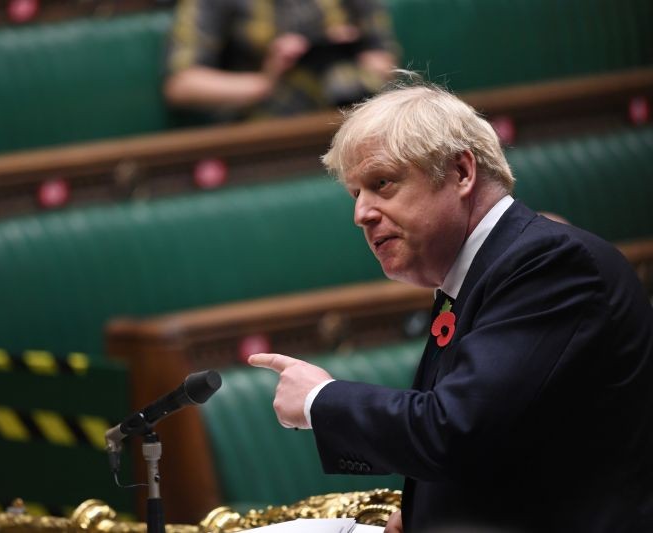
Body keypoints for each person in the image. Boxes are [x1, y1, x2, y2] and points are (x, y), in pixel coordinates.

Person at [249, 77, 653, 532]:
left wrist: (320, 400)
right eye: (355, 194)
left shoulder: (551, 265)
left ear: (461, 173)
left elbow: (457, 432)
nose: (360, 213)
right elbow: (506, 435)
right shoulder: (479, 275)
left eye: (382, 183)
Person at [163, 0, 400, 121]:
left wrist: (343, 48)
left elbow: (385, 62)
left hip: (350, 114)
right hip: (266, 128)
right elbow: (182, 84)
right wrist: (265, 80)